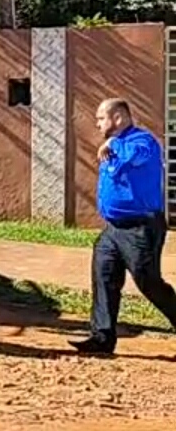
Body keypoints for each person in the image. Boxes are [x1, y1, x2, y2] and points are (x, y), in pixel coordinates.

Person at [71, 99, 176, 356]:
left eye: (101, 118)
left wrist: (114, 143)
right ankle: (102, 337)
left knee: (148, 282)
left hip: (141, 227)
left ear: (118, 118)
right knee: (104, 276)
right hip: (113, 229)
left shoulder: (143, 141)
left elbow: (136, 157)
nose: (97, 124)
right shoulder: (112, 147)